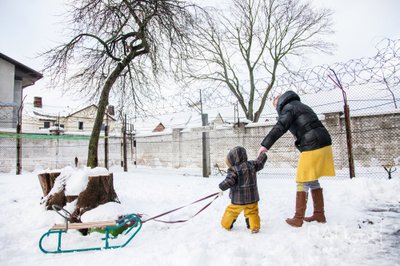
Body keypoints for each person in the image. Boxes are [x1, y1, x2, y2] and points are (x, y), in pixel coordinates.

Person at [257, 90, 335, 227]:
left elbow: (280, 127)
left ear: (280, 101)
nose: (276, 109)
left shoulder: (288, 108)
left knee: (302, 180)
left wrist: (265, 145)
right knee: (312, 178)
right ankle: (319, 214)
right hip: (323, 141)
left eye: (275, 105)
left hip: (312, 145)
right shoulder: (301, 105)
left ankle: (298, 218)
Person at [219, 146, 268, 233]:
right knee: (252, 212)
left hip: (238, 199)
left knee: (232, 211)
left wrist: (222, 186)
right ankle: (254, 226)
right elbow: (260, 162)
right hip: (252, 198)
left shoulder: (233, 169)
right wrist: (263, 154)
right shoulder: (252, 165)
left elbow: (230, 180)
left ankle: (225, 224)